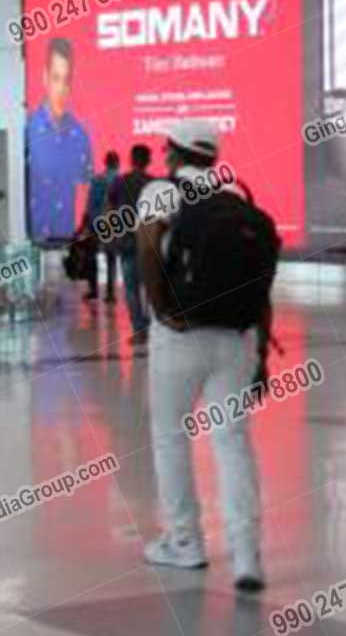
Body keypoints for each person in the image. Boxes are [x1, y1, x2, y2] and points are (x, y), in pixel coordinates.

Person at [137, 119, 264, 592]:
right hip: (236, 335)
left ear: (172, 154)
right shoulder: (235, 198)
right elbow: (259, 279)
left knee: (170, 436)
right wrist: (262, 348)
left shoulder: (160, 191)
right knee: (232, 441)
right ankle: (247, 555)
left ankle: (184, 542)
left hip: (179, 334)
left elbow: (148, 247)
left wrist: (161, 309)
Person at [27, 38, 93, 242]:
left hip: (68, 242)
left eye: (67, 80)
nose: (61, 89)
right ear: (45, 77)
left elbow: (87, 189)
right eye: (56, 78)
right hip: (33, 242)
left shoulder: (81, 136)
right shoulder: (27, 132)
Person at [108, 145, 153, 344]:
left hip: (126, 242)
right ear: (148, 161)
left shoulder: (120, 182)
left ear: (131, 160)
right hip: (150, 242)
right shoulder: (153, 184)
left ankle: (139, 330)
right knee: (151, 288)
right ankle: (152, 329)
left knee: (131, 289)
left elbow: (110, 209)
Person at [83, 151, 120, 302]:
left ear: (105, 163)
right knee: (111, 258)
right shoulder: (120, 180)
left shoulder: (97, 180)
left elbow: (90, 204)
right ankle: (110, 293)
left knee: (91, 256)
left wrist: (86, 224)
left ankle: (94, 290)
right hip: (113, 223)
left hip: (96, 222)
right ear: (117, 163)